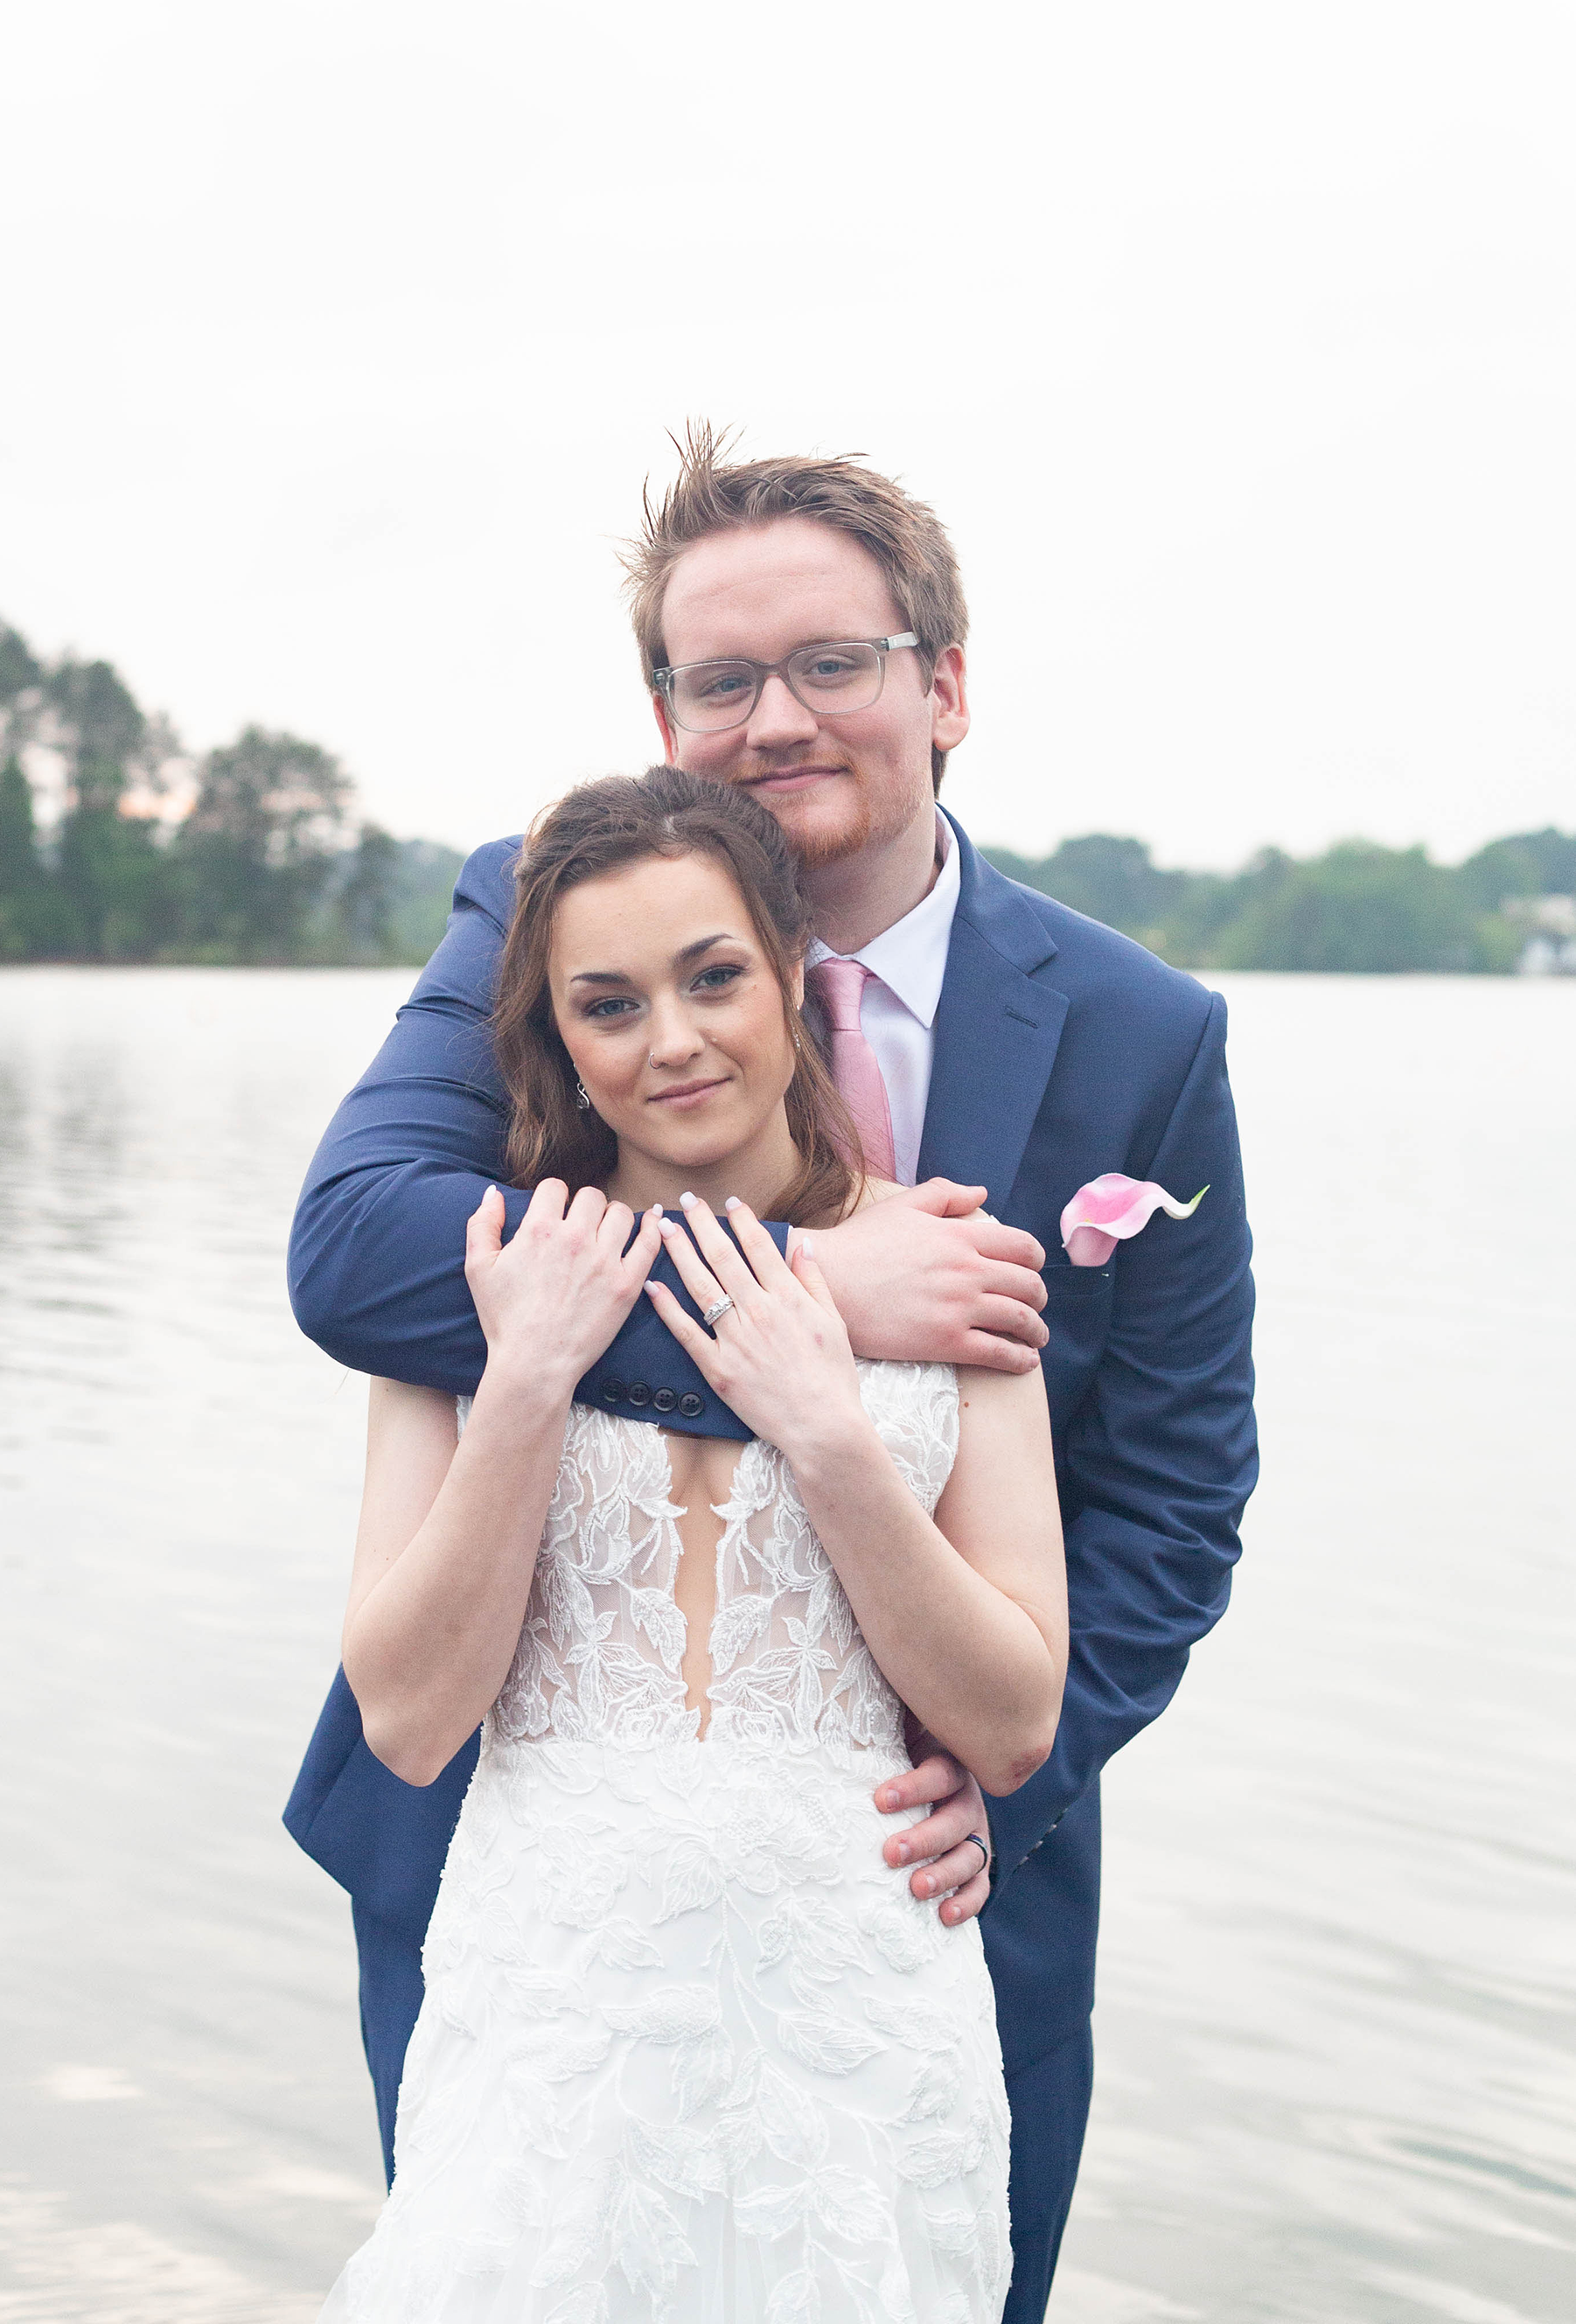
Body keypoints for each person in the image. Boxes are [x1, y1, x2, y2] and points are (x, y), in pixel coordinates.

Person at [286, 431, 1258, 2320]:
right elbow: (358, 1249)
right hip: (533, 1895)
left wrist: (1008, 1781)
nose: (776, 719)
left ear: (943, 682)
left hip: (915, 1912)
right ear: (660, 714)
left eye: (832, 661)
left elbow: (1175, 1488)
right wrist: (811, 1289)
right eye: (718, 679)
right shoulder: (543, 912)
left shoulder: (1143, 1033)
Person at [319, 768, 1068, 2320]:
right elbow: (405, 1719)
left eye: (714, 976)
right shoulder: (475, 1280)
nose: (671, 1041)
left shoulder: (941, 1276)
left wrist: (833, 1437)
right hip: (556, 2017)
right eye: (608, 1004)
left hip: (856, 2028)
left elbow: (1011, 1718)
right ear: (558, 1042)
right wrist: (524, 1384)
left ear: (792, 978)